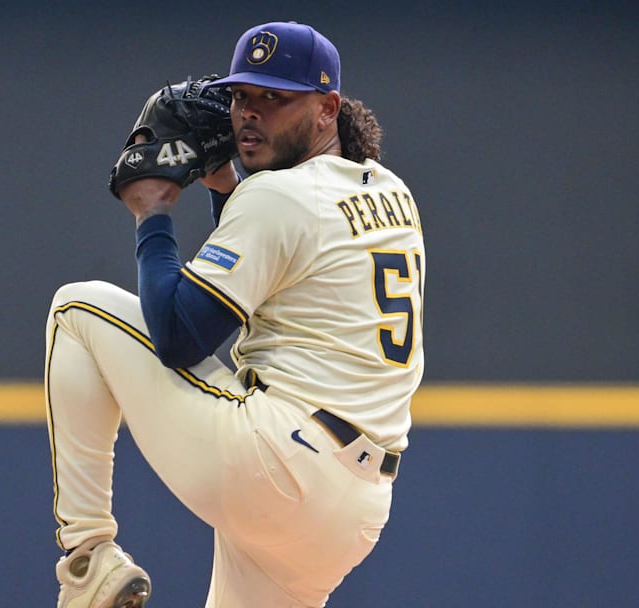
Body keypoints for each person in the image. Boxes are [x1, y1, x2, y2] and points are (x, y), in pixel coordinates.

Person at [45, 20, 426, 608]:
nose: (250, 113)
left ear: (327, 109)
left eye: (276, 99)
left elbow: (178, 336)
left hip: (279, 463)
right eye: (242, 96)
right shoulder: (391, 191)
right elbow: (280, 265)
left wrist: (153, 214)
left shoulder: (280, 197)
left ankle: (88, 556)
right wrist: (225, 181)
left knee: (76, 311)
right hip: (352, 511)